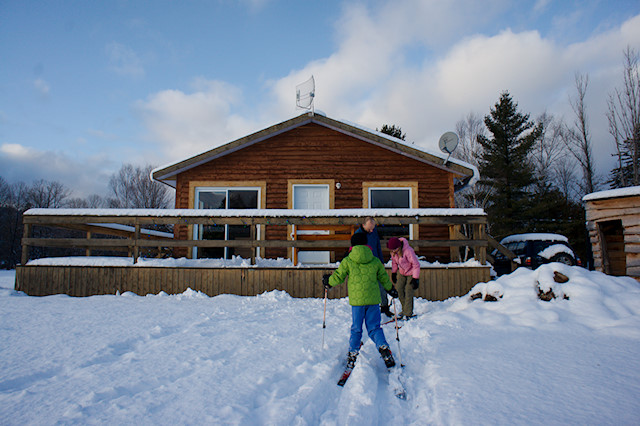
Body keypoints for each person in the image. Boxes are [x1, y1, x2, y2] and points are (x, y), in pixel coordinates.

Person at [323, 232, 399, 370]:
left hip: (357, 302)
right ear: (366, 243)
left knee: (356, 329)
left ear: (352, 245)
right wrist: (391, 289)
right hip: (373, 300)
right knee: (374, 328)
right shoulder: (375, 260)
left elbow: (339, 277)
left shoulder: (348, 261)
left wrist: (328, 282)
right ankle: (384, 349)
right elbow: (383, 278)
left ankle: (353, 354)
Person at [354, 217, 393, 317]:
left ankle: (384, 307)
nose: (372, 230)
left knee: (381, 285)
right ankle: (366, 309)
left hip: (377, 263)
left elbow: (377, 246)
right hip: (365, 267)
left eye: (373, 228)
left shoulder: (374, 232)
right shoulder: (358, 235)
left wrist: (381, 261)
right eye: (370, 228)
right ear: (363, 225)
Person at [387, 237, 420, 320]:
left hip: (412, 272)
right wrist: (394, 273)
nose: (393, 251)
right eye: (392, 250)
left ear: (399, 247)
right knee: (399, 289)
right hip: (402, 272)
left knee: (408, 290)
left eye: (395, 249)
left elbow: (416, 265)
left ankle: (408, 313)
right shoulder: (393, 252)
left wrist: (415, 278)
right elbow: (394, 263)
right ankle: (404, 310)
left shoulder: (408, 251)